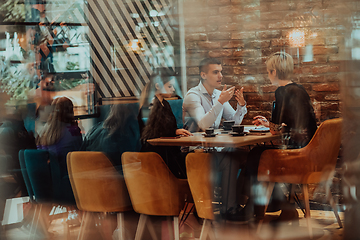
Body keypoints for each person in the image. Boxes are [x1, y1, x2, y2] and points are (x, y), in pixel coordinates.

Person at [241, 51, 318, 222]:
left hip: (297, 153)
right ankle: (280, 205)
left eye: (268, 71)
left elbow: (275, 130)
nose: (268, 75)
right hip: (310, 150)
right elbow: (292, 124)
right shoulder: (299, 89)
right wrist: (267, 122)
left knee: (257, 155)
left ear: (274, 72)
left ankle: (254, 206)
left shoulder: (282, 91)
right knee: (261, 155)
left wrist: (269, 124)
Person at [140, 73, 192, 179]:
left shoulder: (165, 104)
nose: (173, 89)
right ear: (158, 86)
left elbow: (168, 127)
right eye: (169, 86)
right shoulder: (150, 105)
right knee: (190, 160)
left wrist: (176, 131)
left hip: (167, 150)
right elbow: (152, 133)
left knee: (193, 157)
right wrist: (175, 132)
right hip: (156, 154)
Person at [182, 58, 247, 132]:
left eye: (220, 72)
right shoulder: (192, 95)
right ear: (203, 75)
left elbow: (235, 122)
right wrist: (220, 102)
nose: (221, 76)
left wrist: (241, 105)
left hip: (213, 141)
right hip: (194, 141)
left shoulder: (219, 94)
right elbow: (203, 125)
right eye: (216, 72)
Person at [80, 103, 142, 174]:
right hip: (116, 180)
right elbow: (130, 163)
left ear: (111, 108)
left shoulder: (95, 129)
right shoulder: (128, 132)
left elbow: (80, 156)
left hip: (89, 179)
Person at [37, 97, 82, 177]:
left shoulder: (44, 131)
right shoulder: (73, 130)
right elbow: (79, 154)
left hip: (49, 177)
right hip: (67, 176)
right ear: (70, 111)